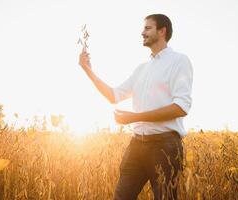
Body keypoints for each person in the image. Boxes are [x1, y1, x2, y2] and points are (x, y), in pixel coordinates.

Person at [79, 14, 193, 200]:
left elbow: (181, 107)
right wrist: (88, 70)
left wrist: (135, 117)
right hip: (137, 146)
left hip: (165, 146)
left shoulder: (179, 61)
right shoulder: (142, 69)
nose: (142, 32)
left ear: (162, 31)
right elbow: (114, 96)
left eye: (148, 28)